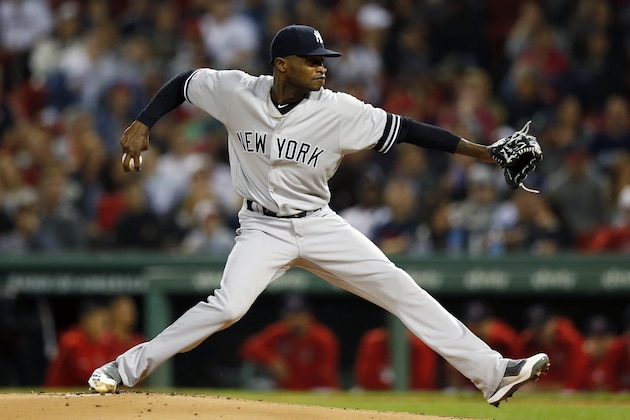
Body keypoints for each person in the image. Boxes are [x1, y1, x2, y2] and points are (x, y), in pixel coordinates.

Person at [89, 24, 549, 406]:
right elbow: (184, 82)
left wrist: (486, 154)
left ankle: (493, 373)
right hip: (262, 227)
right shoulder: (236, 91)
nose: (322, 67)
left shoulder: (339, 110)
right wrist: (144, 121)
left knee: (401, 289)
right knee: (228, 306)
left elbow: (407, 130)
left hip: (317, 222)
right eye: (312, 60)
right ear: (282, 65)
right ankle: (123, 369)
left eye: (323, 59)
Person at [238, 294, 339, 390]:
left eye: (298, 314)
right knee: (260, 386)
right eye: (289, 314)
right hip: (285, 388)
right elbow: (249, 347)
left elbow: (324, 373)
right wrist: (273, 360)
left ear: (308, 315)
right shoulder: (280, 331)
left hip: (317, 389)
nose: (294, 319)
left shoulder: (323, 337)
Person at [45, 300, 111, 387]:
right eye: (102, 324)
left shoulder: (98, 343)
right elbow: (87, 377)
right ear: (87, 319)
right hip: (55, 395)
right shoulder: (72, 340)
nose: (105, 329)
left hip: (76, 395)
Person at [354, 325, 438, 391]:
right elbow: (366, 380)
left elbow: (423, 382)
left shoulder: (419, 345)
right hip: (377, 392)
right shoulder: (375, 342)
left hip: (414, 394)